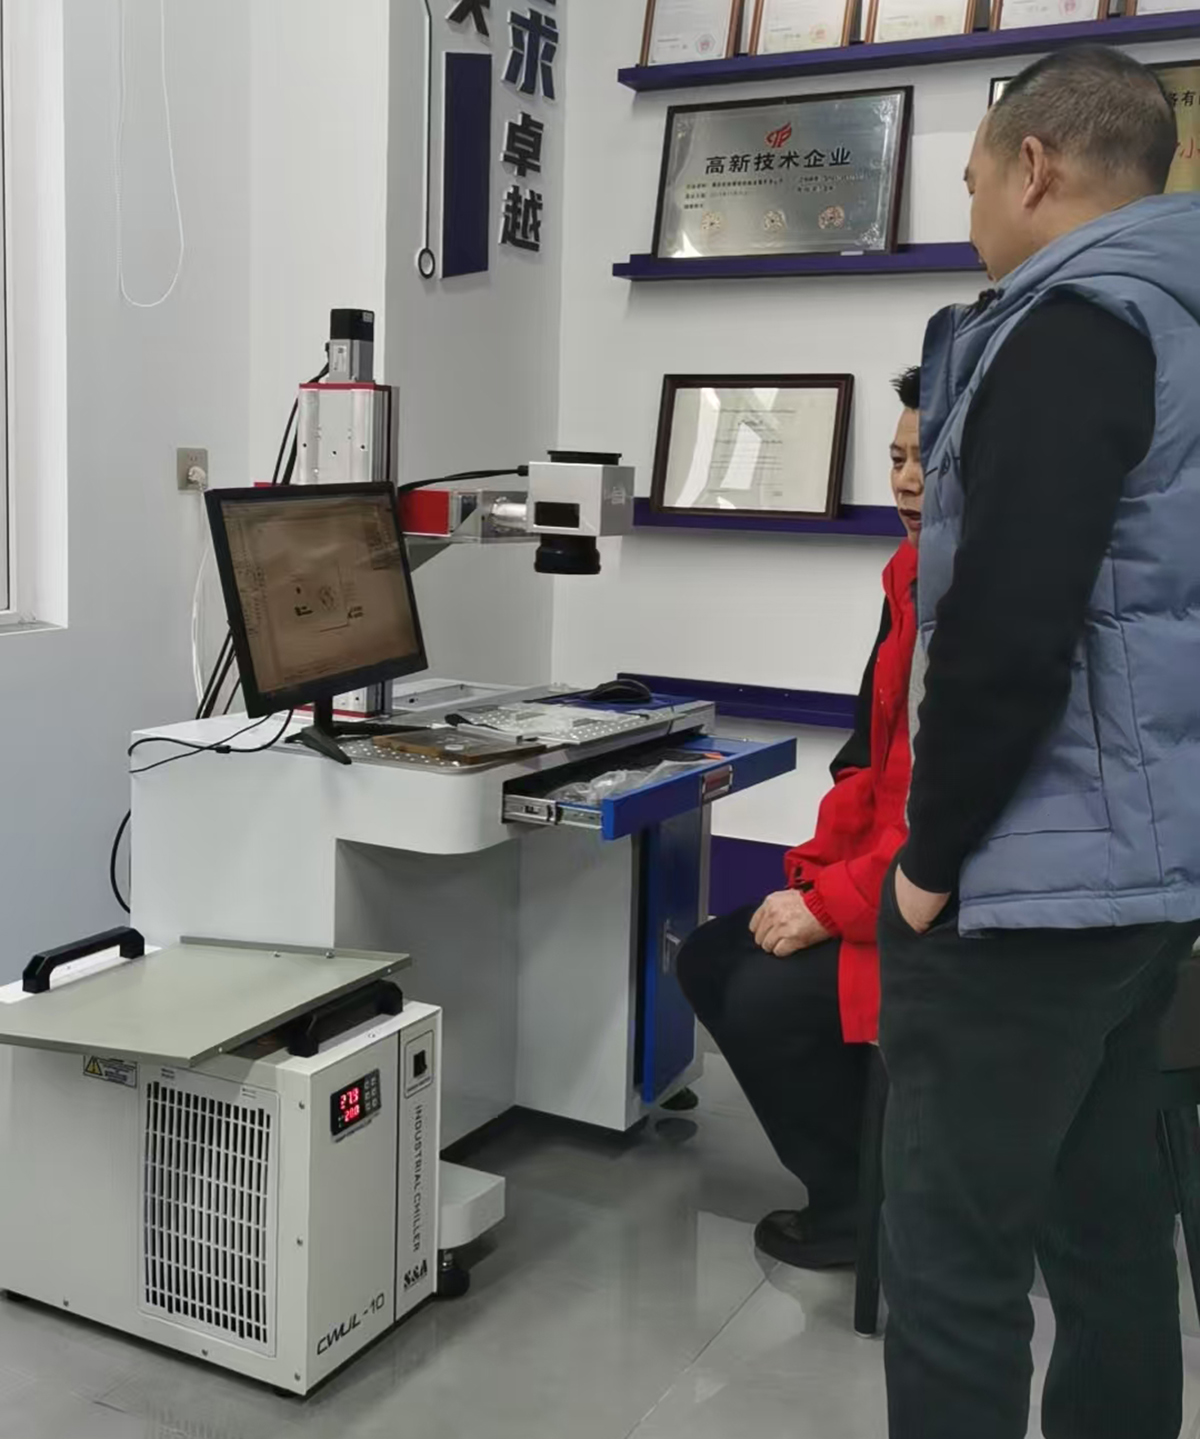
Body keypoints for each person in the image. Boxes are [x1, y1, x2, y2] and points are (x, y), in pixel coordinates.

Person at [880, 46, 1200, 1439]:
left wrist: (929, 862)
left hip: (1030, 882)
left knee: (954, 1266)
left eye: (969, 182)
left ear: (1032, 165)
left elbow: (1011, 627)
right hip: (1146, 873)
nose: (970, 218)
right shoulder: (1178, 318)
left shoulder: (1072, 326)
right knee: (1108, 1225)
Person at [676, 369, 924, 1271]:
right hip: (885, 880)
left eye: (930, 461)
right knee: (710, 954)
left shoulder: (976, 602)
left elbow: (947, 812)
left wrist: (833, 907)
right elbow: (868, 767)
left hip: (941, 907)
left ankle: (859, 1206)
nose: (906, 482)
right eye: (895, 459)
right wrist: (814, 881)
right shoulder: (908, 579)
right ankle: (866, 1167)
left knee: (763, 996)